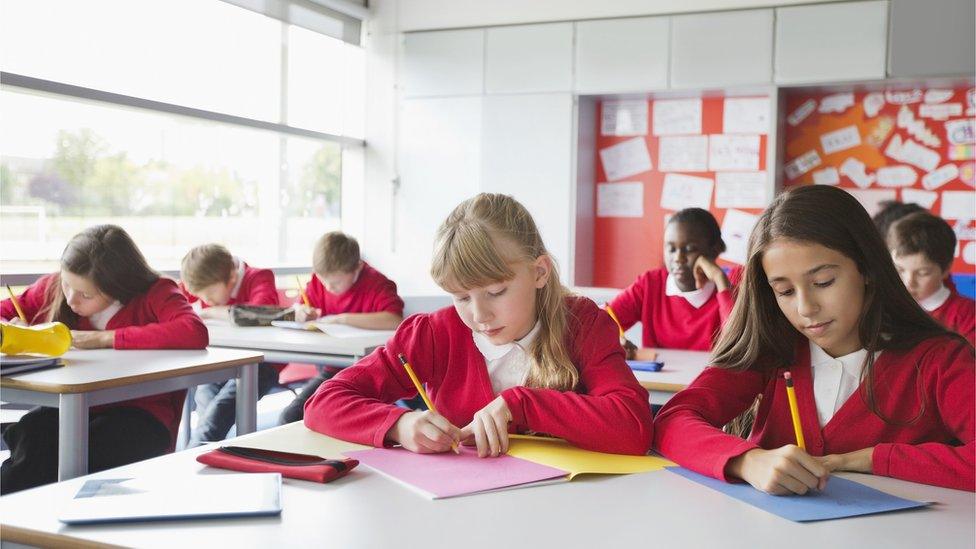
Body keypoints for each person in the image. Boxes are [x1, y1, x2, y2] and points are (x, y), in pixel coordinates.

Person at [653, 185, 974, 493]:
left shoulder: (939, 360)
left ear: (866, 268)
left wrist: (871, 459)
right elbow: (673, 421)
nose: (806, 308)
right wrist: (748, 461)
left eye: (823, 282)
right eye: (785, 291)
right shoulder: (773, 348)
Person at [304, 193, 654, 456]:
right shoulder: (434, 333)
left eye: (496, 292)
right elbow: (325, 401)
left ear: (539, 273)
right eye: (460, 297)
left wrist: (522, 405)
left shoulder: (583, 324)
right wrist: (399, 424)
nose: (479, 315)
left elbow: (634, 427)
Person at [0, 225, 208, 494]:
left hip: (140, 415)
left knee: (63, 452)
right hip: (74, 408)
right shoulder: (56, 287)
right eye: (67, 285)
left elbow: (193, 331)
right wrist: (10, 329)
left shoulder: (156, 292)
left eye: (87, 295)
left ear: (118, 286)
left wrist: (105, 338)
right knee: (35, 434)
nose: (72, 300)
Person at [279, 231, 404, 424]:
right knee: (290, 417)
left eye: (336, 282)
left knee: (307, 417)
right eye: (323, 280)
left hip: (368, 371)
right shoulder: (318, 282)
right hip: (332, 368)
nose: (328, 287)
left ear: (357, 268)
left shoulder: (377, 283)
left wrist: (343, 319)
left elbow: (394, 320)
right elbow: (299, 309)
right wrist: (300, 311)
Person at [179, 243, 282, 445]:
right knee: (206, 409)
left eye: (209, 296)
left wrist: (207, 312)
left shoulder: (260, 277)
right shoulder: (205, 280)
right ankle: (207, 459)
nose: (206, 301)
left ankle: (192, 463)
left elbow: (259, 313)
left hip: (263, 363)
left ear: (232, 277)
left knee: (215, 417)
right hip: (222, 359)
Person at [608, 208, 740, 358]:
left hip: (712, 380)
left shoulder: (732, 286)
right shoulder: (650, 284)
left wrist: (719, 278)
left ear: (713, 250)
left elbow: (738, 343)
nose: (678, 258)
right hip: (658, 381)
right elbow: (599, 324)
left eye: (690, 249)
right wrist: (617, 342)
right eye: (671, 249)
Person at [888, 212, 975, 344]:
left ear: (946, 269)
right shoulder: (885, 307)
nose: (908, 282)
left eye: (923, 273)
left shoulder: (968, 315)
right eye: (899, 270)